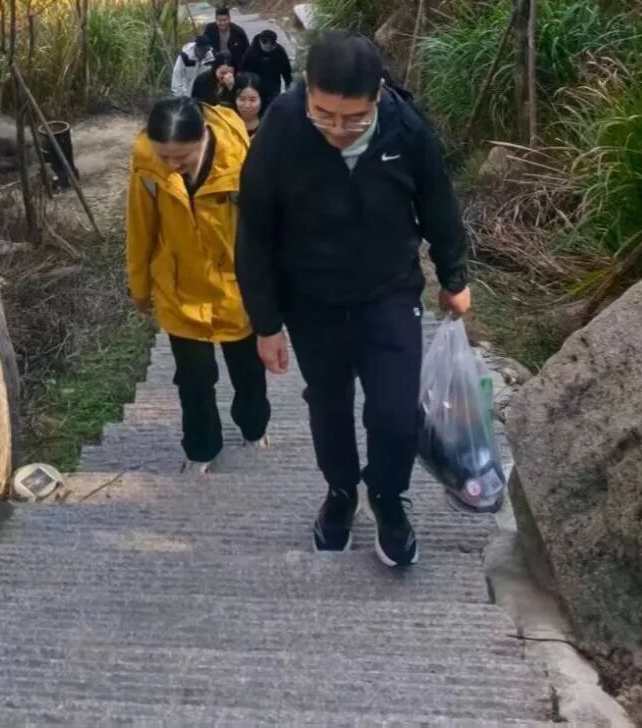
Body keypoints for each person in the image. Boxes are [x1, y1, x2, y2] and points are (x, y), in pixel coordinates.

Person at [236, 30, 470, 568]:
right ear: (306, 88)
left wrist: (454, 277)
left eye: (354, 118)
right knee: (328, 403)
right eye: (324, 115)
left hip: (389, 291)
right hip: (312, 300)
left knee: (395, 413)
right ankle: (340, 492)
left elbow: (439, 205)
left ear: (379, 94)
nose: (338, 130)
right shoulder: (283, 128)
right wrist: (266, 323)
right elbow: (254, 232)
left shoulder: (405, 129)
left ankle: (387, 497)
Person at [127, 97, 270, 470]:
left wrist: (271, 290)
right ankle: (201, 449)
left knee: (248, 372)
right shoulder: (147, 165)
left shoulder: (239, 161)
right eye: (164, 156)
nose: (172, 166)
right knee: (194, 380)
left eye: (182, 158)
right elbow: (140, 226)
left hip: (236, 290)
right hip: (179, 290)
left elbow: (266, 230)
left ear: (204, 136)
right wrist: (139, 286)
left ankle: (254, 426)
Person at [241, 29, 293, 105]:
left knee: (272, 106)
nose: (267, 46)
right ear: (260, 41)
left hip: (273, 86)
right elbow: (244, 70)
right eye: (264, 42)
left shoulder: (279, 52)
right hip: (256, 86)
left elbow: (286, 70)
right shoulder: (251, 52)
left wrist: (288, 85)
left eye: (270, 44)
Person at [203, 5, 250, 70]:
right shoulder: (210, 29)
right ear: (216, 19)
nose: (222, 23)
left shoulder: (238, 31)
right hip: (216, 63)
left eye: (225, 20)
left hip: (234, 65)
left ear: (229, 19)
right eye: (219, 20)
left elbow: (247, 51)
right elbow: (204, 44)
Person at [232, 72, 264, 137]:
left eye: (252, 100)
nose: (247, 105)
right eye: (242, 99)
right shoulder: (226, 123)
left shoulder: (269, 126)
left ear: (261, 99)